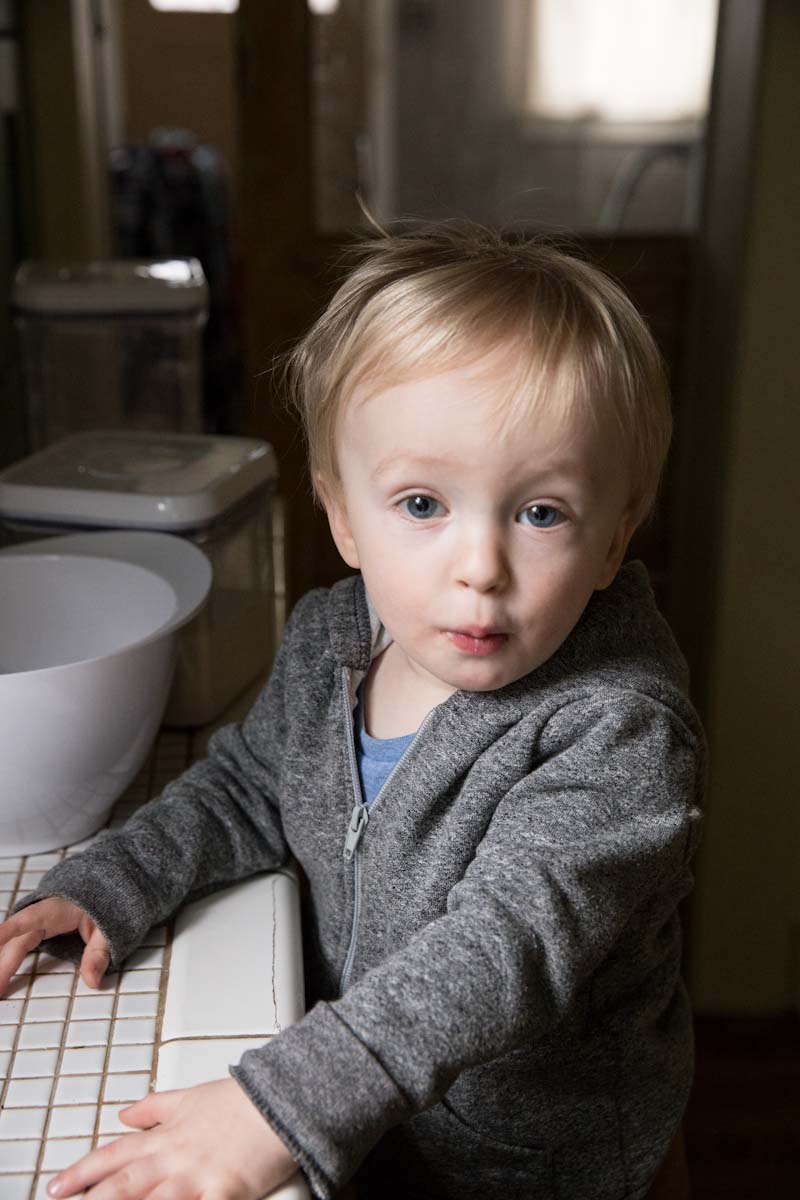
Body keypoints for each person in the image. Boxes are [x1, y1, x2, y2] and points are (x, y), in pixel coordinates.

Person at [0, 222, 705, 1200]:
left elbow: (503, 948)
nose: (478, 567)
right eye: (421, 504)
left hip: (539, 1167)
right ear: (340, 515)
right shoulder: (337, 635)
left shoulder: (615, 730)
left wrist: (274, 1104)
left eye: (538, 512)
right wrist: (115, 880)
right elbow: (252, 788)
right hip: (380, 1120)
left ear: (612, 535)